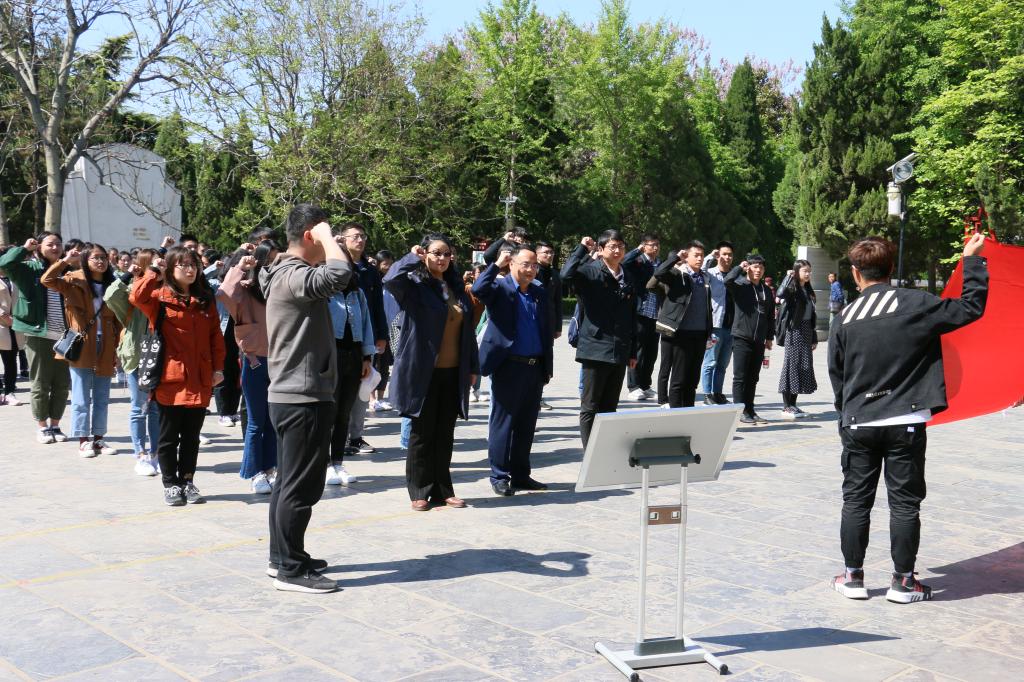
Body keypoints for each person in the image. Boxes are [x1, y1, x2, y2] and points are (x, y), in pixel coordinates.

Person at [828, 234, 987, 604]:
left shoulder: (845, 317)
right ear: (890, 269)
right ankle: (903, 582)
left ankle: (852, 577)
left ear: (856, 273)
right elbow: (971, 307)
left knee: (856, 501)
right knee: (904, 504)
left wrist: (846, 416)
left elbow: (838, 376)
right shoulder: (917, 304)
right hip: (906, 419)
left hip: (860, 420)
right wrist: (972, 260)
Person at [260, 204, 352, 593]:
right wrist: (328, 237)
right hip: (302, 396)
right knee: (299, 487)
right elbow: (340, 273)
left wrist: (326, 237)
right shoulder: (294, 275)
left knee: (288, 483)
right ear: (312, 235)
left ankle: (282, 557)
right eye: (326, 232)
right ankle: (291, 571)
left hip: (296, 394)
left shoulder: (285, 273)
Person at [384, 233, 479, 511]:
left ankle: (443, 489)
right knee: (422, 433)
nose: (442, 258)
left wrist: (473, 366)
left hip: (453, 371)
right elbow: (390, 279)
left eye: (447, 254)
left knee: (445, 433)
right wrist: (411, 257)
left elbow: (468, 332)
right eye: (436, 253)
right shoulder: (413, 285)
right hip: (423, 371)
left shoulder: (456, 287)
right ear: (425, 254)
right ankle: (419, 490)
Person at [131, 246, 225, 507]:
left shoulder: (205, 299)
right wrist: (153, 271)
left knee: (192, 436)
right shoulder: (158, 298)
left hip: (201, 377)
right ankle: (170, 483)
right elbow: (136, 296)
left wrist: (218, 368)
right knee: (169, 436)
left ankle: (187, 480)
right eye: (183, 265)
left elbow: (216, 337)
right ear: (170, 269)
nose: (190, 269)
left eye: (193, 264)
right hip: (171, 377)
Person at [473, 245, 553, 496]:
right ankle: (499, 475)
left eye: (534, 265)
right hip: (508, 365)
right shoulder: (500, 287)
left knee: (526, 425)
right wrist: (496, 264)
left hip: (534, 366)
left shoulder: (539, 292)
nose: (531, 269)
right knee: (503, 423)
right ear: (512, 264)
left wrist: (547, 366)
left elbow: (545, 330)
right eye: (525, 264)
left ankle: (521, 474)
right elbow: (478, 289)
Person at [41, 242, 122, 457]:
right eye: (96, 257)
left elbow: (119, 320)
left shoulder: (112, 284)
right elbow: (47, 280)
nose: (101, 261)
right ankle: (83, 440)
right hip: (81, 343)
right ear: (85, 259)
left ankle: (99, 439)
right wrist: (65, 261)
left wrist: (117, 348)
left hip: (106, 343)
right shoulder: (74, 279)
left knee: (102, 396)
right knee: (81, 395)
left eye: (103, 257)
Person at [560, 230, 638, 449]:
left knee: (610, 407)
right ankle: (589, 453)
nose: (618, 250)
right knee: (590, 406)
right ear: (601, 250)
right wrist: (581, 249)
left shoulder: (627, 275)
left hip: (620, 349)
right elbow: (565, 275)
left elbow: (632, 315)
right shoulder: (590, 271)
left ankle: (603, 451)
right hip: (595, 348)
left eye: (621, 246)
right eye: (612, 246)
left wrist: (632, 351)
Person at [217, 241, 281, 494]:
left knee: (273, 421)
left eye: (277, 260)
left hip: (279, 362)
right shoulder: (244, 289)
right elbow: (223, 293)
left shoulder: (279, 288)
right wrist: (239, 266)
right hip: (254, 361)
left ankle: (270, 467)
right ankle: (255, 472)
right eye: (269, 260)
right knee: (256, 421)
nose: (272, 265)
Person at [0, 234, 72, 443]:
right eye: (50, 244)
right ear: (39, 247)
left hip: (65, 335)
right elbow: (4, 263)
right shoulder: (29, 268)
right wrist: (24, 248)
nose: (55, 247)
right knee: (41, 382)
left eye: (58, 244)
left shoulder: (66, 269)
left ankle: (56, 425)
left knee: (61, 384)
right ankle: (42, 427)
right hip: (38, 332)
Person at [104, 249, 161, 475]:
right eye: (155, 264)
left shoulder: (166, 290)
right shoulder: (132, 290)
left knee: (155, 408)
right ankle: (140, 454)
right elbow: (110, 296)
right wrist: (128, 274)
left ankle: (156, 453)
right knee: (140, 408)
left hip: (161, 355)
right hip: (137, 354)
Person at [326, 236, 375, 487]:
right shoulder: (323, 291)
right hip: (328, 356)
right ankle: (323, 464)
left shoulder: (357, 293)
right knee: (327, 411)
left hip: (353, 356)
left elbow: (366, 325)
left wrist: (367, 357)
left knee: (344, 413)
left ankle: (337, 462)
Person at [337, 223, 387, 456]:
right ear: (343, 239)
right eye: (355, 236)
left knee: (362, 389)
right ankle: (337, 439)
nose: (360, 240)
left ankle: (355, 437)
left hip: (365, 337)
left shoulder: (370, 270)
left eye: (363, 236)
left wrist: (381, 335)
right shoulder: (334, 265)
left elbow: (377, 306)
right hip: (341, 338)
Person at [648, 241, 713, 408]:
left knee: (692, 380)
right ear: (687, 256)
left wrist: (709, 331)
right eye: (696, 255)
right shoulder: (677, 274)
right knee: (679, 379)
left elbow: (708, 307)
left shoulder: (705, 278)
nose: (700, 259)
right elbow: (659, 273)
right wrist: (676, 258)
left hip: (700, 334)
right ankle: (675, 413)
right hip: (681, 333)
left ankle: (688, 413)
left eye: (702, 255)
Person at [725, 254, 775, 424]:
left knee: (753, 378)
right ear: (748, 268)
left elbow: (770, 315)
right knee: (740, 377)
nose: (758, 270)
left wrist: (769, 337)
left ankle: (750, 410)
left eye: (761, 267)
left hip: (759, 340)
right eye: (754, 267)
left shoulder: (766, 290)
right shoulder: (740, 285)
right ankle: (740, 411)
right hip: (742, 337)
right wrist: (739, 267)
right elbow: (727, 281)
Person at [776, 260, 818, 419]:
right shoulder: (792, 288)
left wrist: (813, 336)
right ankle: (786, 406)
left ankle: (793, 404)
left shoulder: (808, 290)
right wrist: (788, 277)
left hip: (806, 330)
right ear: (797, 271)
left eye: (809, 271)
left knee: (801, 367)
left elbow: (812, 315)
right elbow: (780, 293)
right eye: (805, 271)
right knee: (791, 366)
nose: (808, 274)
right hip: (794, 330)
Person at [623, 234, 661, 401]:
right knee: (637, 351)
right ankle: (633, 386)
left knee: (651, 353)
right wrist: (637, 250)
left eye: (657, 244)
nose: (655, 248)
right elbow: (624, 262)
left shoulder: (659, 263)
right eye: (651, 244)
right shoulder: (637, 261)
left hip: (656, 315)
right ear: (644, 246)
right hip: (640, 312)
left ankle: (645, 385)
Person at [701, 241, 735, 405]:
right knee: (710, 362)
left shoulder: (735, 275)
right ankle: (707, 394)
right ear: (718, 255)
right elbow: (700, 270)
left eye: (730, 255)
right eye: (724, 254)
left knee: (722, 364)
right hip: (715, 325)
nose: (727, 257)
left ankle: (718, 393)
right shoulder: (711, 273)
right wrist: (710, 256)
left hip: (731, 326)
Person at [534, 241, 563, 410]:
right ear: (537, 254)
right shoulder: (531, 271)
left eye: (551, 252)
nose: (549, 255)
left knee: (546, 362)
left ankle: (538, 395)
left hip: (548, 324)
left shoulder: (554, 274)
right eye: (545, 252)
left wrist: (558, 326)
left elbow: (557, 301)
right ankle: (533, 396)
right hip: (532, 322)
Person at [0, 253, 26, 406]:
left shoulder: (15, 278)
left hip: (14, 325)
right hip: (2, 321)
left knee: (10, 360)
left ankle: (9, 392)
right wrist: (3, 315)